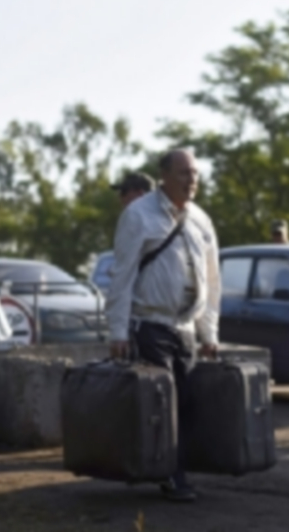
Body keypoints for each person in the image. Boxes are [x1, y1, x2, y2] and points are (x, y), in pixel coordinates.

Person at [106, 148, 221, 502]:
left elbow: (212, 281)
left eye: (196, 173)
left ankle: (173, 469)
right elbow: (122, 276)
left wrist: (209, 332)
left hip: (185, 327)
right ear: (165, 177)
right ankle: (172, 476)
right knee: (162, 402)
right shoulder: (139, 216)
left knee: (185, 402)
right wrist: (118, 331)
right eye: (184, 173)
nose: (192, 180)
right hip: (151, 323)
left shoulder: (201, 219)